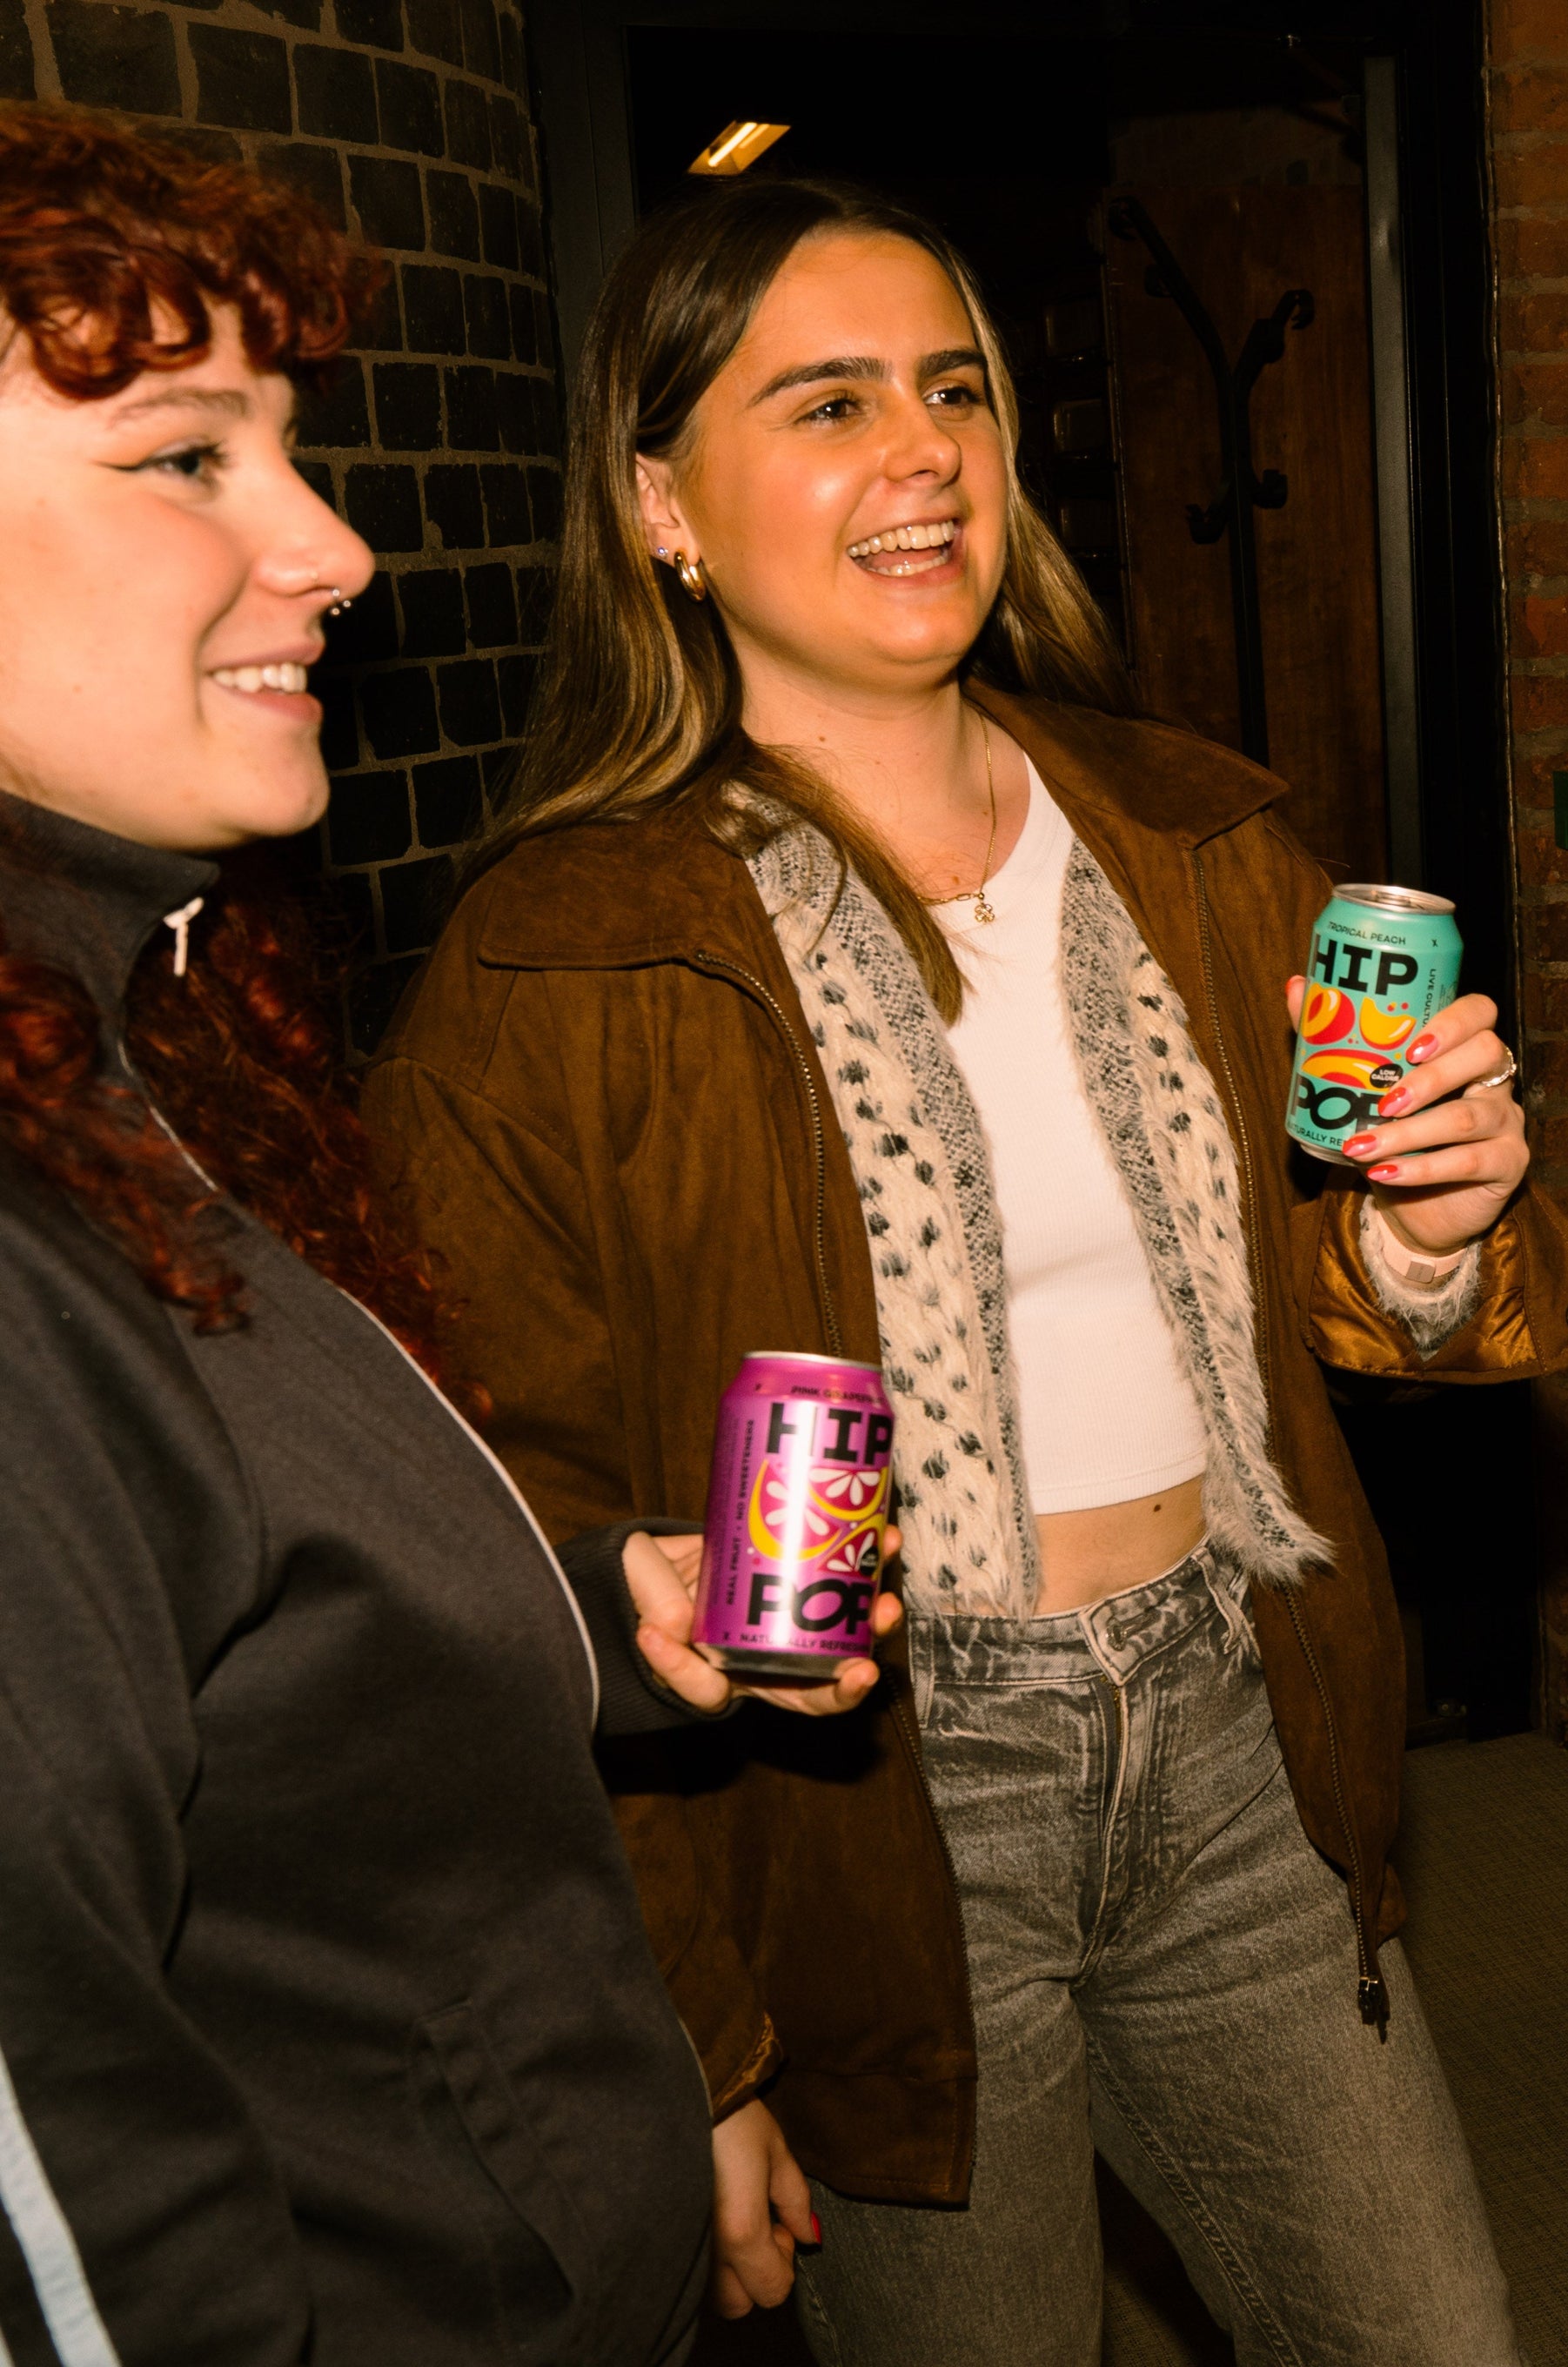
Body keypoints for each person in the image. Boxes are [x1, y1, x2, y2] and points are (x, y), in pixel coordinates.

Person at [364, 177, 1568, 2365]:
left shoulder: (1205, 837)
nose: (923, 450)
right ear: (663, 502)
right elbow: (503, 1540)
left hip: (1235, 1732)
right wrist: (697, 2029)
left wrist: (1432, 1234)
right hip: (873, 1818)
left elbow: (1369, 1310)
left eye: (952, 389)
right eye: (828, 402)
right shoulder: (558, 958)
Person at [0, 106, 898, 2364]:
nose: (329, 546)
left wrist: (601, 1616)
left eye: (290, 450)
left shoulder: (135, 1034)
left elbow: (260, 1619)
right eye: (184, 460)